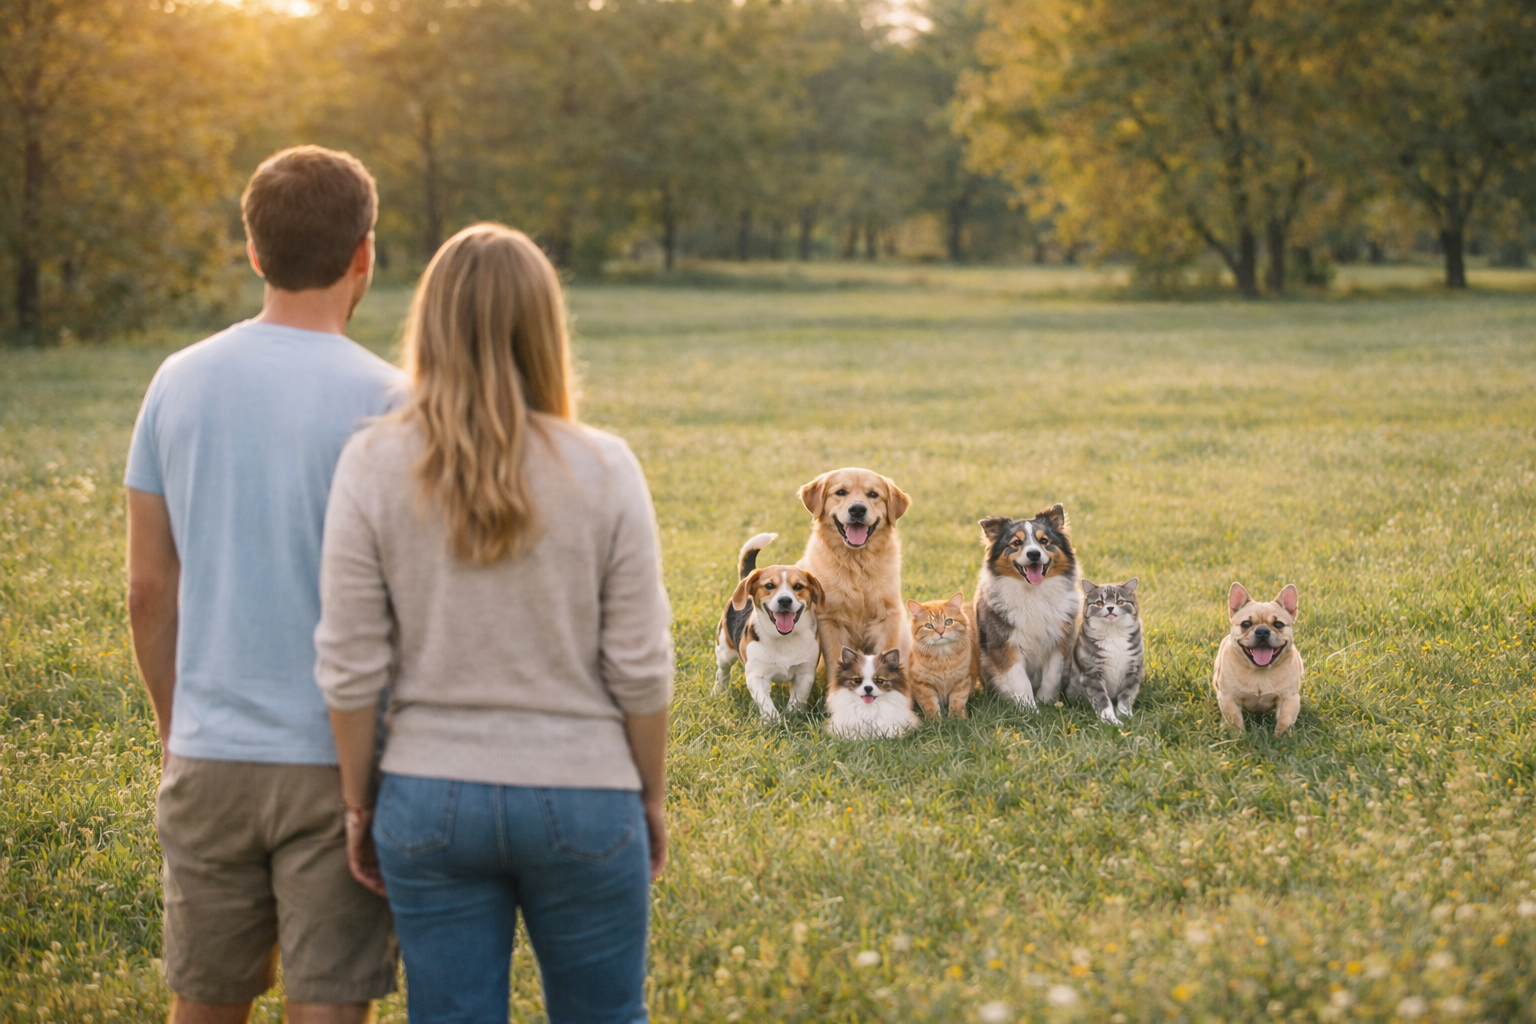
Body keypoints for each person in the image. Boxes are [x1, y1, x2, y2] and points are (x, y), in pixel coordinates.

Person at [315, 222, 673, 1024]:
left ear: (428, 325)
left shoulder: (371, 462)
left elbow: (348, 664)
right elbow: (643, 666)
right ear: (547, 328)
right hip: (586, 792)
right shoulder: (605, 464)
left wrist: (358, 803)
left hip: (426, 796)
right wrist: (648, 797)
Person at [125, 146, 402, 1024]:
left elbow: (147, 589)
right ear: (364, 253)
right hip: (339, 764)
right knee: (329, 1005)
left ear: (253, 252)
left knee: (202, 1002)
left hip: (209, 753)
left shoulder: (178, 381)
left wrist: (179, 730)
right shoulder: (394, 400)